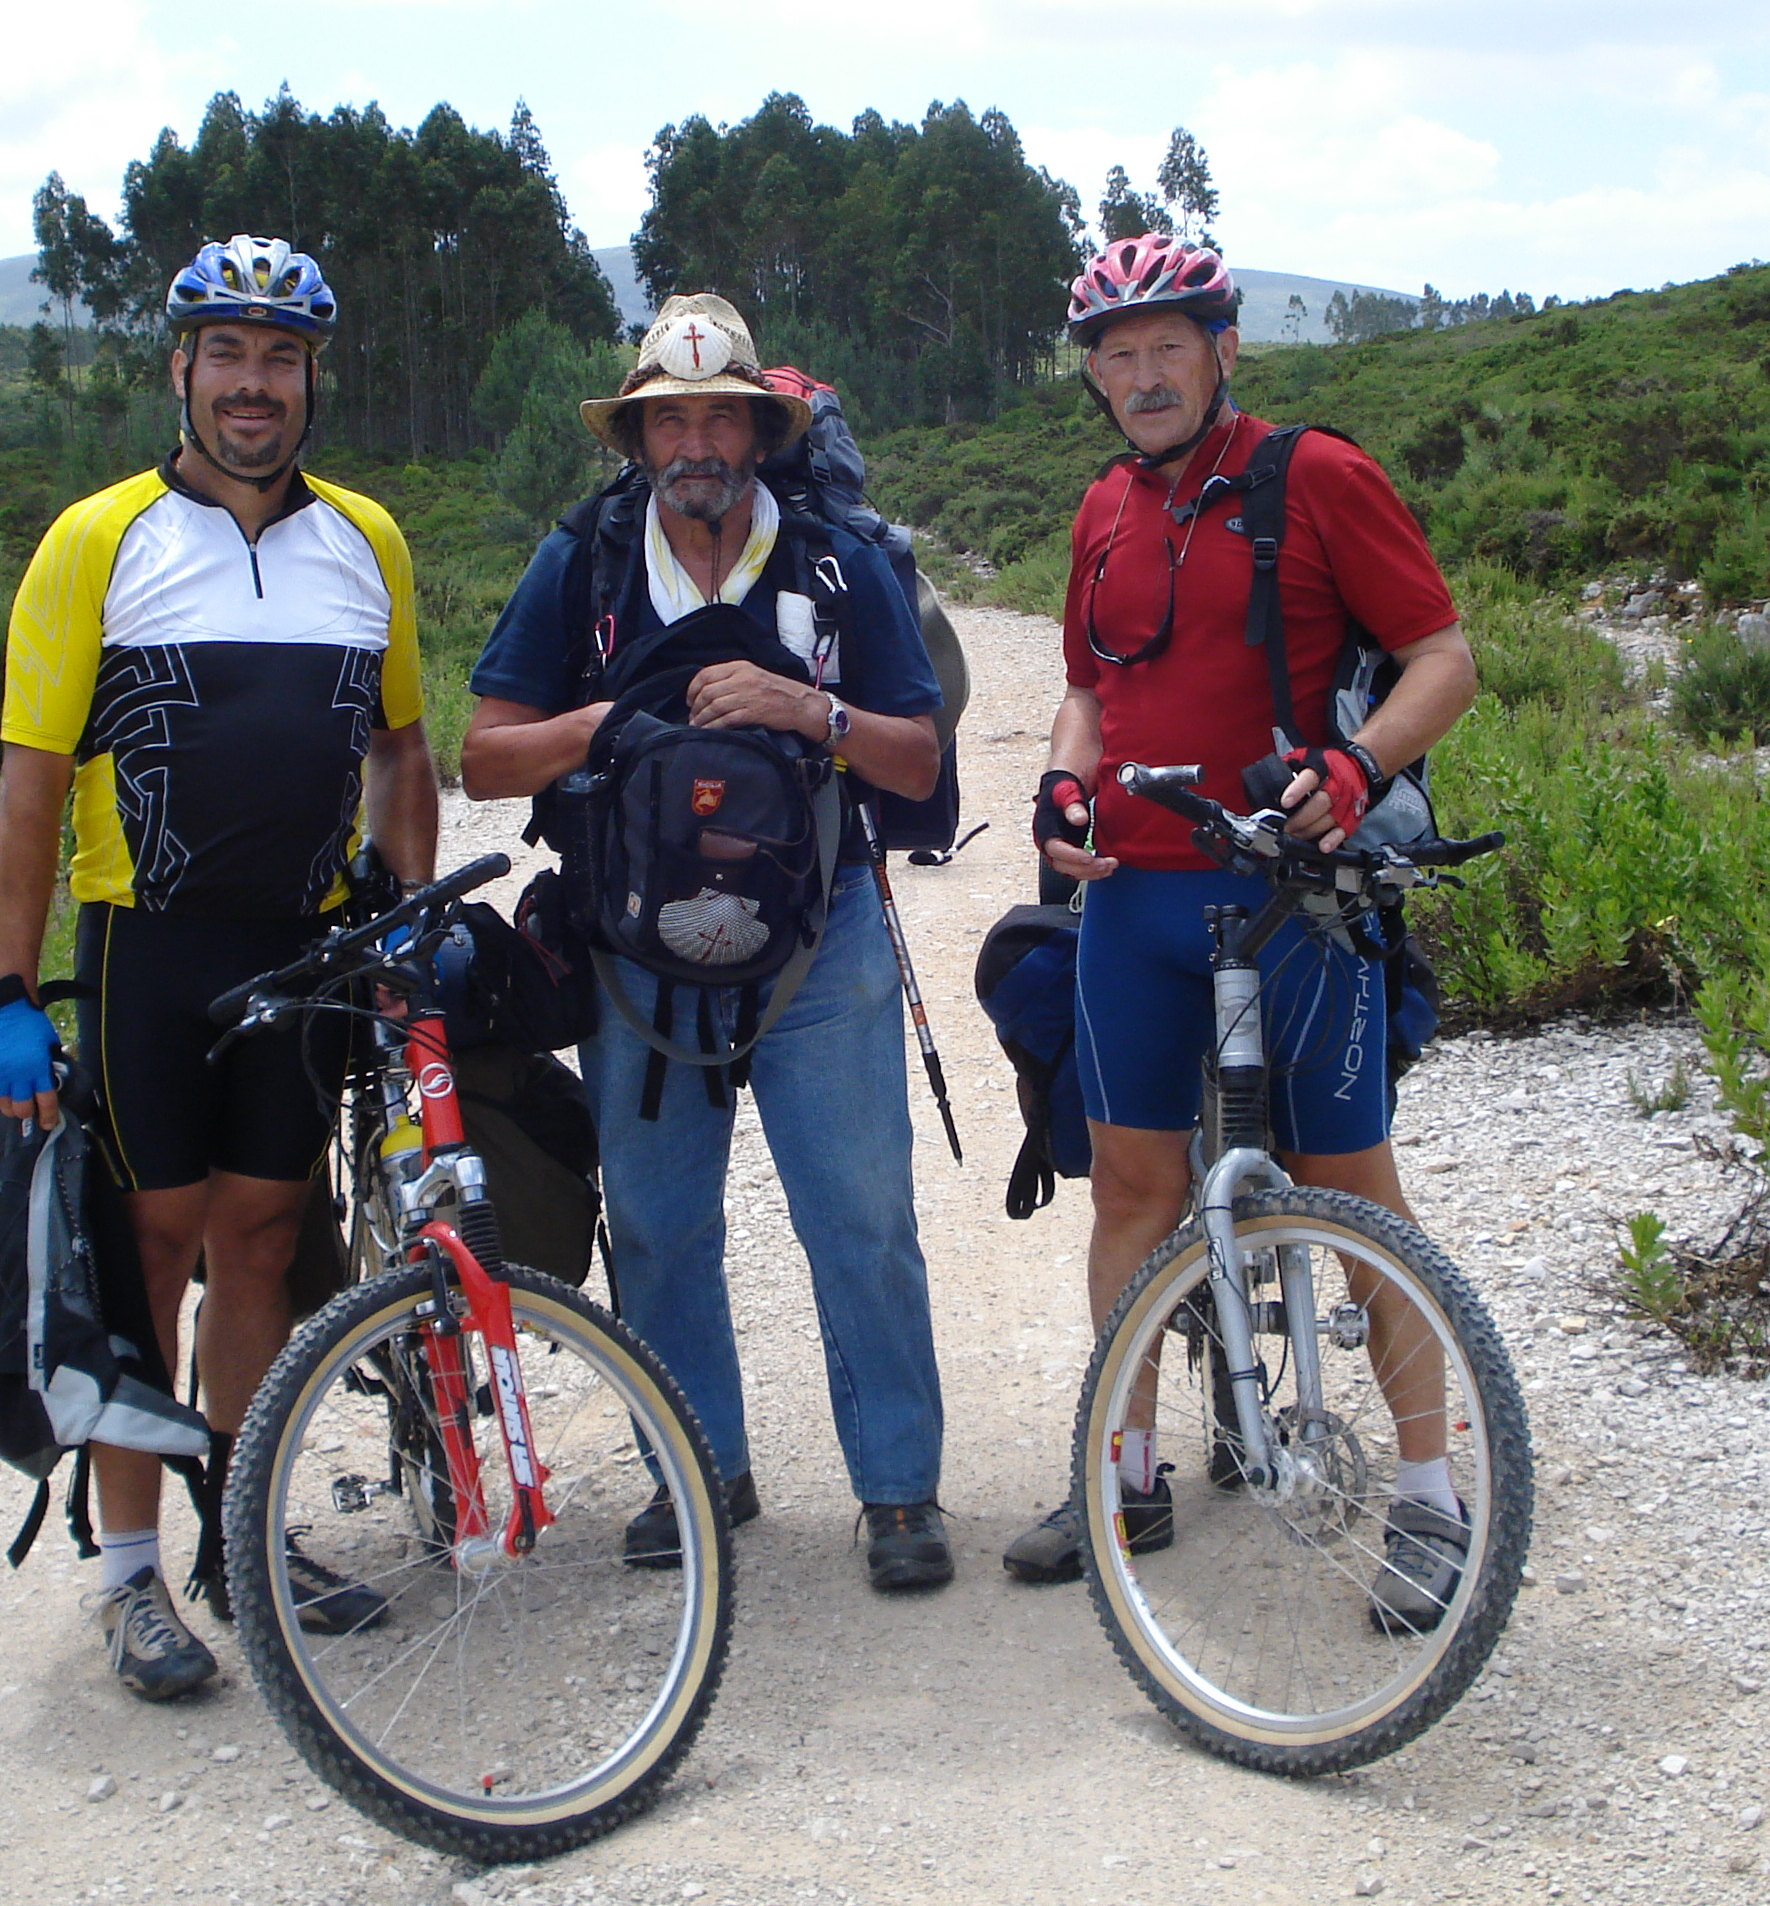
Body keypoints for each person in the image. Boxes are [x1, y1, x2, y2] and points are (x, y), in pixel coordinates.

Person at [0, 235, 438, 1699]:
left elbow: (403, 750)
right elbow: (32, 786)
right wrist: (3, 993)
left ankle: (242, 1541)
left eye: (282, 357)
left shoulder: (367, 540)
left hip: (298, 957)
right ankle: (128, 1579)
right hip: (146, 954)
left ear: (311, 379)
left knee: (258, 1242)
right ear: (181, 371)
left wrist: (405, 915)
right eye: (228, 355)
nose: (255, 383)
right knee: (145, 1252)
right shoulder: (96, 540)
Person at [1005, 234, 1482, 1622]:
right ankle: (1130, 1467)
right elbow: (1090, 691)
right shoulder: (1103, 507)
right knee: (1134, 1191)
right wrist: (1063, 778)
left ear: (1223, 350)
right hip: (1134, 902)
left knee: (1351, 1194)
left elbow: (1444, 660)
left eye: (1168, 346)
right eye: (1116, 353)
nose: (1142, 374)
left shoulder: (1316, 476)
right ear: (1092, 373)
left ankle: (1430, 1494)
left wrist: (1354, 770)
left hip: (1293, 892)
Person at [459, 293, 955, 1591]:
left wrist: (806, 706)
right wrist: (603, 727)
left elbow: (915, 753)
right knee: (663, 1226)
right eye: (667, 416)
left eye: (716, 415)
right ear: (636, 436)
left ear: (756, 429)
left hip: (821, 934)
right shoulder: (583, 559)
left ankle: (900, 1491)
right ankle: (697, 1470)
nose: (693, 439)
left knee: (861, 1219)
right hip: (634, 953)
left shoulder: (841, 562)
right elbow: (484, 749)